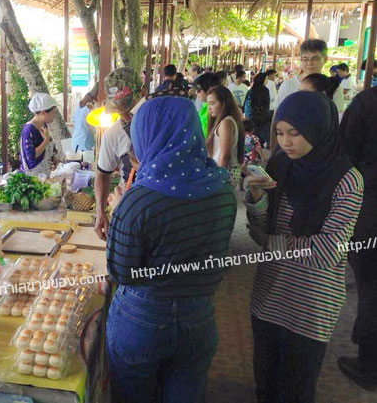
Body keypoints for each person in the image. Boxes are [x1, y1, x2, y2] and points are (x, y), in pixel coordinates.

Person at [106, 96, 237, 403]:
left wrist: (116, 212)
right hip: (199, 318)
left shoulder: (138, 201)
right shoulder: (222, 190)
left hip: (142, 320)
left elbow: (120, 271)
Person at [244, 92, 364, 403]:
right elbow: (260, 229)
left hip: (311, 304)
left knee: (296, 386)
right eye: (280, 133)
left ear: (318, 128)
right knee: (266, 381)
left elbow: (327, 251)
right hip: (270, 292)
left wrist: (271, 244)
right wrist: (256, 199)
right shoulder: (282, 165)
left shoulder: (347, 180)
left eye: (295, 133)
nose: (286, 142)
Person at [338, 86, 377, 390]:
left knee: (371, 285)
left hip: (371, 206)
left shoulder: (368, 101)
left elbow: (345, 150)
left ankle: (369, 362)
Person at [94, 67, 145, 240]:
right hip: (126, 209)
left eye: (130, 110)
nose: (125, 116)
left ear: (143, 94)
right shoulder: (114, 133)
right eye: (119, 111)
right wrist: (100, 211)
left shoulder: (163, 122)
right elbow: (102, 174)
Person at [207, 86, 245, 188]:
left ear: (223, 104)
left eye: (213, 103)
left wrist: (218, 179)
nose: (209, 108)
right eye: (208, 104)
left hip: (225, 172)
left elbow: (225, 155)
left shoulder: (226, 123)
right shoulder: (226, 121)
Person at [20, 92, 58, 175]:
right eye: (52, 112)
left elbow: (47, 149)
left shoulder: (44, 126)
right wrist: (46, 141)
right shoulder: (29, 130)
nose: (54, 115)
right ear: (43, 112)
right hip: (32, 178)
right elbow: (31, 157)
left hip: (44, 176)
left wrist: (53, 158)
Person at [243, 73, 271, 146]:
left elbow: (246, 105)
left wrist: (247, 116)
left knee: (253, 138)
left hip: (252, 119)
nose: (267, 81)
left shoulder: (251, 90)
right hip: (263, 119)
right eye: (266, 79)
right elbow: (267, 105)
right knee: (261, 137)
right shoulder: (265, 90)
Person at [194, 72, 221, 138]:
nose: (196, 93)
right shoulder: (204, 107)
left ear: (210, 89)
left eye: (199, 90)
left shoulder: (217, 110)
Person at [71, 87, 96, 152]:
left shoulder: (79, 107)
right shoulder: (89, 108)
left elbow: (74, 121)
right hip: (84, 144)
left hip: (76, 142)